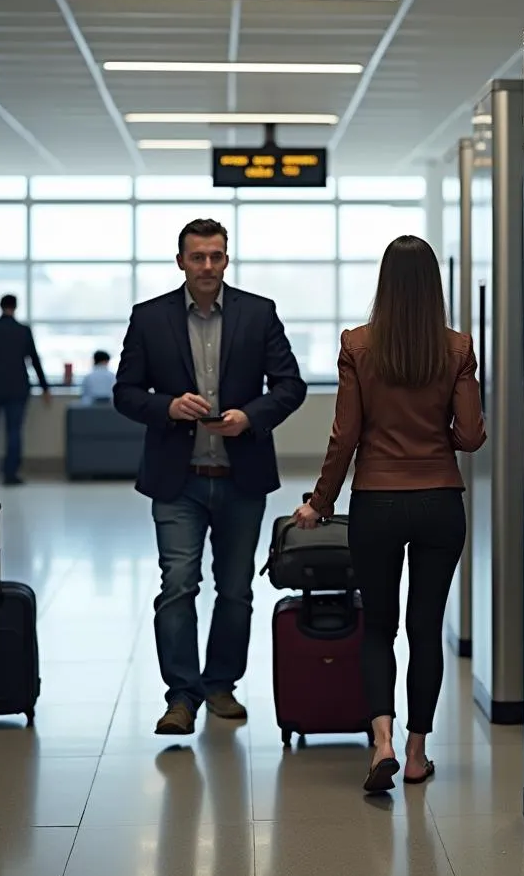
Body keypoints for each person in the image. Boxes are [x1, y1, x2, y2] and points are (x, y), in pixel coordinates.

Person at [293, 235, 486, 793]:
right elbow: (471, 436)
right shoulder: (456, 347)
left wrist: (320, 502)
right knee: (426, 628)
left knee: (379, 625)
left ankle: (380, 741)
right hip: (439, 504)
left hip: (376, 501)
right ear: (434, 286)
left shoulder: (357, 344)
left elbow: (345, 435)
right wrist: (437, 437)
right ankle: (418, 753)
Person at [114, 218, 306, 736]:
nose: (206, 266)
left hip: (241, 475)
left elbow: (290, 385)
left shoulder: (258, 314)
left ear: (226, 259)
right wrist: (168, 407)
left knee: (236, 589)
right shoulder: (149, 318)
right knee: (177, 585)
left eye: (215, 256)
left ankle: (221, 684)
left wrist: (252, 416)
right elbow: (125, 393)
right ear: (180, 261)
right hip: (178, 480)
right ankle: (181, 695)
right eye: (197, 257)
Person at [0, 294, 50, 485]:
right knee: (14, 431)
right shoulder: (23, 331)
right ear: (15, 307)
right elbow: (34, 359)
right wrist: (45, 388)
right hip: (19, 386)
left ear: (0, 306)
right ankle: (11, 474)